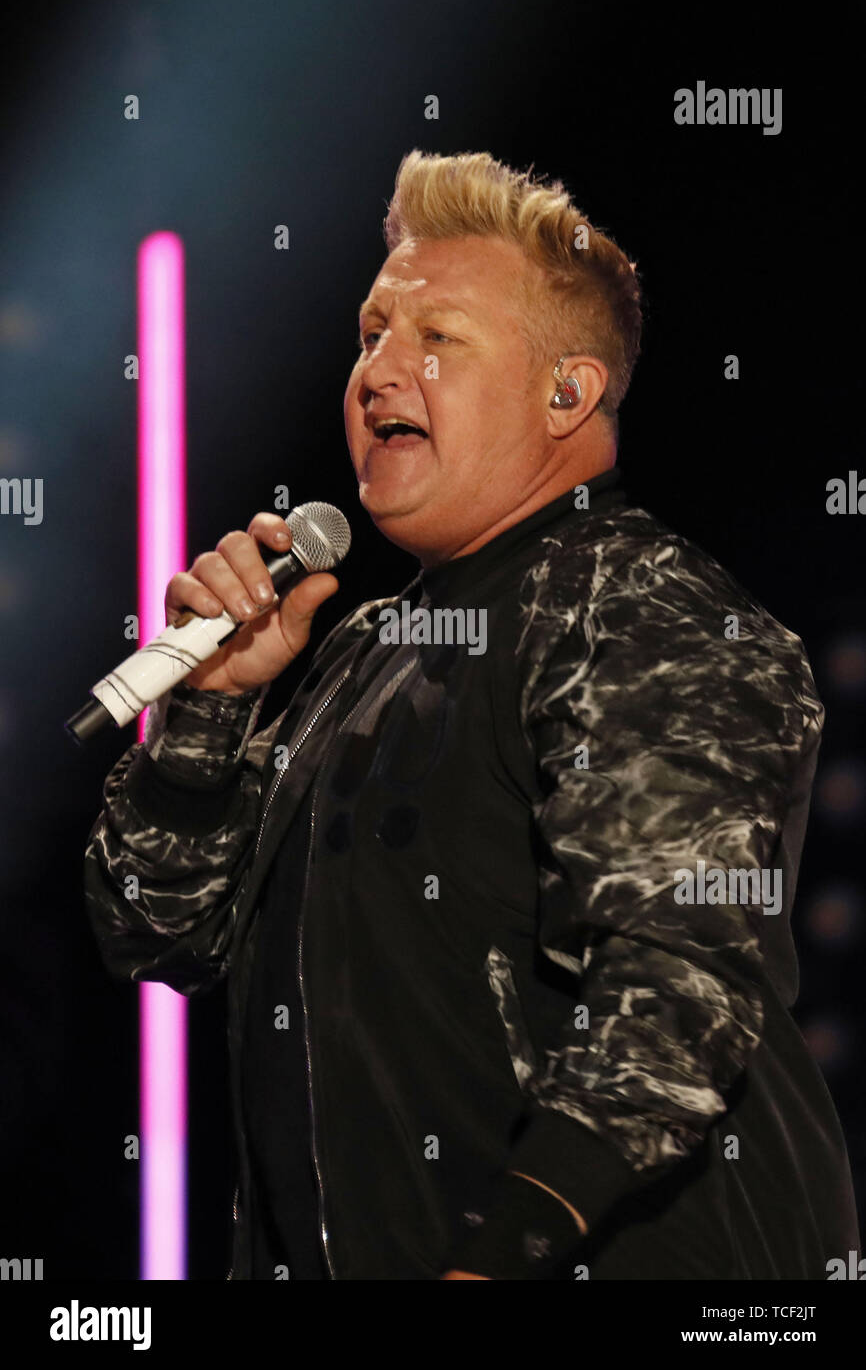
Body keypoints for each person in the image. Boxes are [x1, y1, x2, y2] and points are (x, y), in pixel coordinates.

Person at [84, 149, 860, 1280]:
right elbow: (154, 933)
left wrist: (498, 1259)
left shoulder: (632, 604)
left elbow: (672, 989)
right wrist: (205, 719)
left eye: (434, 338)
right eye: (368, 335)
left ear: (566, 393)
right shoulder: (360, 651)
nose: (375, 372)